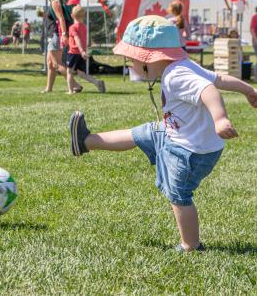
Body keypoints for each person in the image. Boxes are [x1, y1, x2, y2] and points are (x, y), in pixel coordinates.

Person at [69, 15, 257, 252]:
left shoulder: (176, 75)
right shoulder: (183, 66)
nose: (130, 65)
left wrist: (220, 119)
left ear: (148, 59)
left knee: (179, 194)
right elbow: (218, 78)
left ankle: (191, 245)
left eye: (131, 60)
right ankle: (86, 141)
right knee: (144, 132)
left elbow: (210, 89)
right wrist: (248, 89)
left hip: (190, 151)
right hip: (180, 136)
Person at [41, 0, 80, 93]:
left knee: (56, 64)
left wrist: (64, 34)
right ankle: (49, 88)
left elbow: (61, 19)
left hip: (56, 35)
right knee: (50, 64)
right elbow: (55, 19)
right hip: (53, 35)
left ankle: (76, 85)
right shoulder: (54, 2)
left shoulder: (55, 2)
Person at [65, 6, 106, 94]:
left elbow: (77, 39)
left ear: (72, 15)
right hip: (81, 53)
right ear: (84, 16)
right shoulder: (84, 26)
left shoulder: (72, 27)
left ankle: (70, 91)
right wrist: (83, 51)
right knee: (81, 73)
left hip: (74, 53)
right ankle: (97, 83)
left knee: (69, 72)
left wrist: (81, 51)